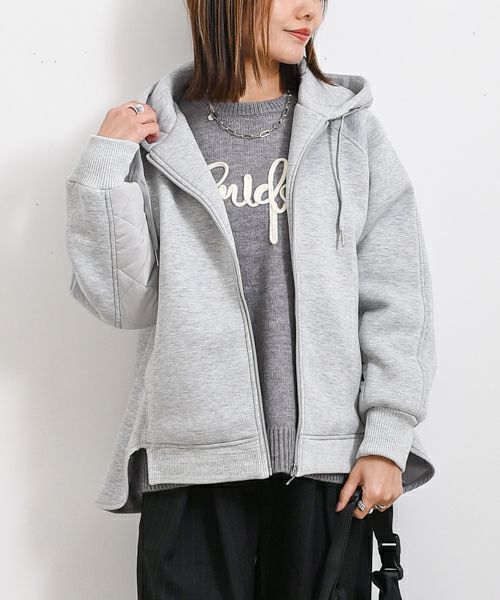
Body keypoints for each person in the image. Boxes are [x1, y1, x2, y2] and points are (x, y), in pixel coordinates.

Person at [65, 0, 437, 598]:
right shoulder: (160, 138)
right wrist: (105, 168)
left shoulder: (349, 131)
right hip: (192, 459)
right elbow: (123, 303)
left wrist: (388, 438)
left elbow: (397, 295)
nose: (310, 11)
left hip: (327, 464)